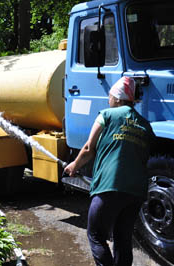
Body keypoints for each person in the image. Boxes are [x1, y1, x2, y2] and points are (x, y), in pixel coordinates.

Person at [64, 76, 155, 266]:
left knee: (95, 234)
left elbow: (89, 148)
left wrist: (74, 165)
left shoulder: (106, 115)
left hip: (110, 186)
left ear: (119, 99)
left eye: (111, 96)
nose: (109, 100)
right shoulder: (146, 126)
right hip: (137, 190)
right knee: (123, 238)